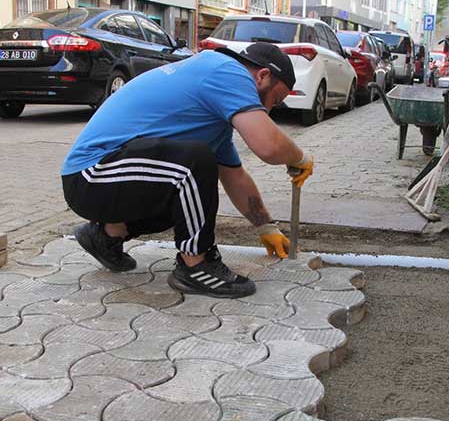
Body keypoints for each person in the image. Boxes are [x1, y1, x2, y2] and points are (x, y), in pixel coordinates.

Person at [61, 42, 314, 299]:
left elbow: (235, 177)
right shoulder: (227, 70)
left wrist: (265, 226)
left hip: (103, 180)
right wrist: (300, 157)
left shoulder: (214, 119)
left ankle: (106, 236)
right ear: (262, 76)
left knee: (191, 198)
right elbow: (268, 146)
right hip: (91, 174)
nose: (268, 111)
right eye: (274, 100)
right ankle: (196, 266)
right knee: (195, 161)